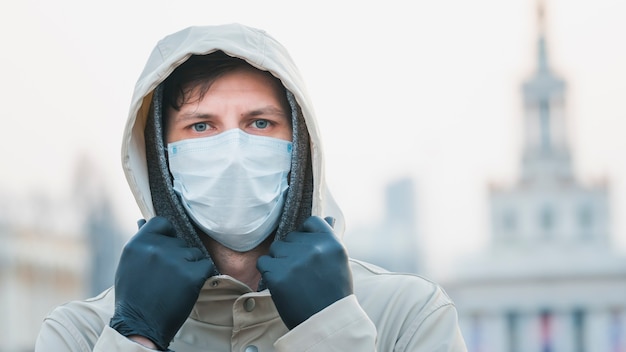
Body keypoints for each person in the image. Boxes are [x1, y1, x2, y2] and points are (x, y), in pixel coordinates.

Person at [35, 23, 467, 351]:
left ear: (300, 146)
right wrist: (135, 337)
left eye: (260, 123)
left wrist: (331, 329)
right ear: (159, 157)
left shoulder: (407, 314)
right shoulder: (81, 334)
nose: (234, 150)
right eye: (201, 126)